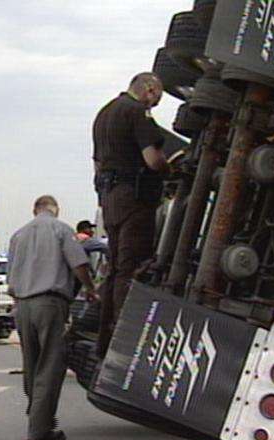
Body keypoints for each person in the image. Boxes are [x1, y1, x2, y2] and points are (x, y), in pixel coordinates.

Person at [7, 195, 99, 440]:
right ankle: (40, 429)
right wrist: (90, 289)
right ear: (56, 210)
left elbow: (11, 275)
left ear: (34, 210)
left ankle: (36, 412)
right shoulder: (61, 229)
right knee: (51, 363)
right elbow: (79, 264)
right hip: (49, 303)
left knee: (32, 363)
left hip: (22, 305)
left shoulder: (18, 235)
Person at [92, 72, 172, 358]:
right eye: (156, 99)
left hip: (110, 199)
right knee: (133, 268)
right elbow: (153, 160)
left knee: (115, 269)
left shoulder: (104, 114)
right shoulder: (137, 112)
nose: (154, 105)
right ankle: (126, 339)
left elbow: (97, 164)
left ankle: (105, 341)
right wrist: (171, 169)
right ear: (149, 89)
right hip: (135, 200)